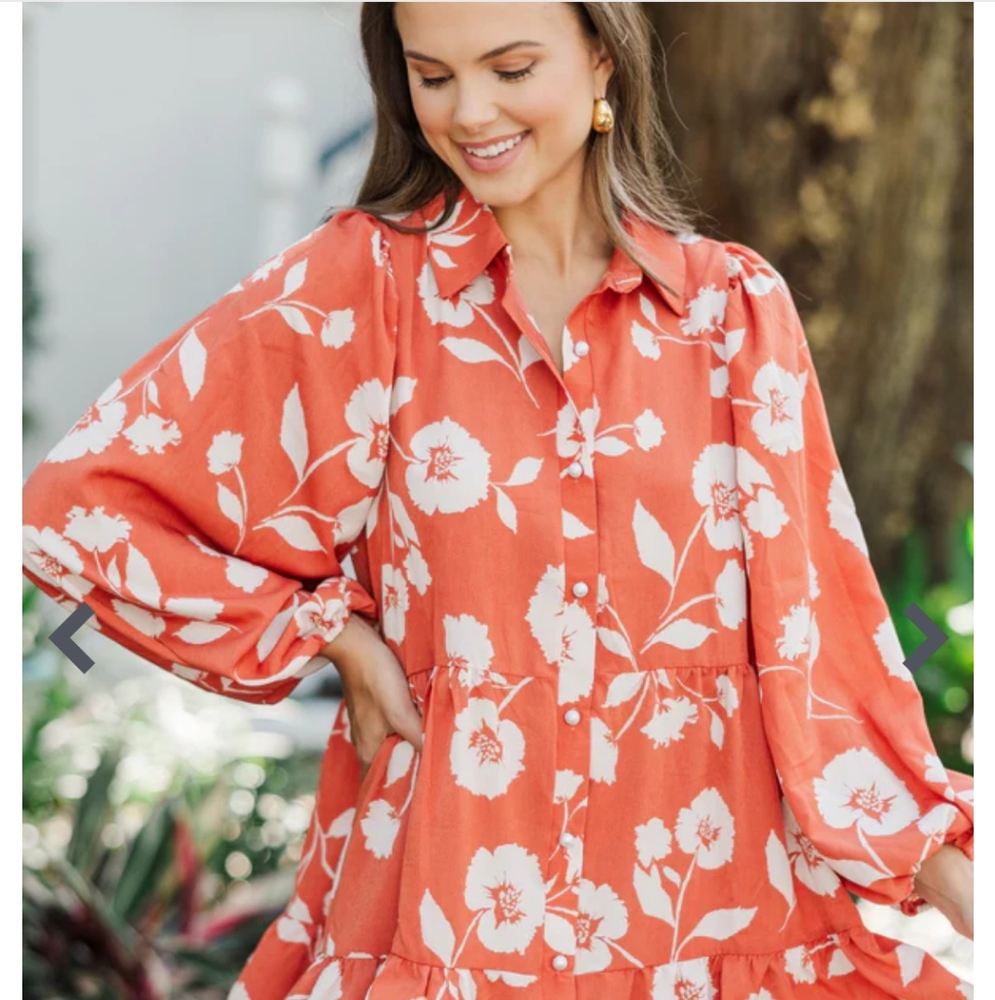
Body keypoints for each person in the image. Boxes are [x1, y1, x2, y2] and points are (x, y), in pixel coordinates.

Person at [22, 3, 974, 998]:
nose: (468, 112)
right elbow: (76, 510)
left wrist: (941, 865)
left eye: (510, 68)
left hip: (715, 916)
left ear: (602, 58)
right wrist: (329, 634)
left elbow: (814, 633)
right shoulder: (366, 290)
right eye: (432, 77)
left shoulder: (729, 312)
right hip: (454, 915)